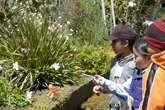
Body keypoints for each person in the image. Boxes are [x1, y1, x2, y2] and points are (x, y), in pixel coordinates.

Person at [93, 38, 151, 110]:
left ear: (148, 57)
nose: (134, 59)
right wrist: (103, 83)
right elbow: (122, 89)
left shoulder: (152, 77)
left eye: (136, 56)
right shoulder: (137, 73)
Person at [95, 25, 137, 110]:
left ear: (125, 43)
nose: (111, 44)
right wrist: (102, 88)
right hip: (113, 107)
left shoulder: (135, 63)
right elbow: (113, 83)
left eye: (114, 41)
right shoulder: (115, 60)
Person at [138, 18, 165, 110]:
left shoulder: (156, 71)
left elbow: (151, 106)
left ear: (158, 45)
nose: (146, 47)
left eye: (148, 43)